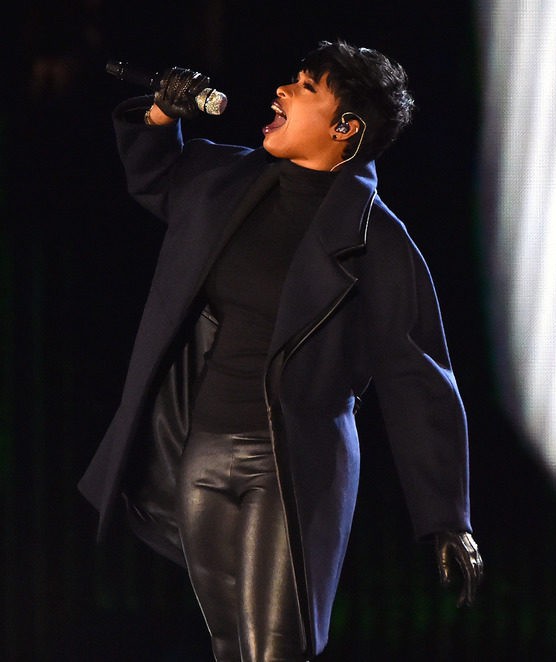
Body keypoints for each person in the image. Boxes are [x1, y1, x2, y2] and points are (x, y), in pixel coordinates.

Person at [78, 39, 483, 661]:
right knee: (229, 647)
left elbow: (418, 375)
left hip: (292, 465)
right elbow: (153, 174)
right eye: (292, 80)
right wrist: (162, 110)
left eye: (306, 88)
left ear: (347, 127)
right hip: (201, 456)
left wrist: (447, 516)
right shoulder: (224, 181)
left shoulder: (378, 241)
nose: (282, 92)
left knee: (276, 650)